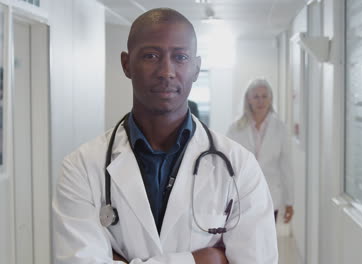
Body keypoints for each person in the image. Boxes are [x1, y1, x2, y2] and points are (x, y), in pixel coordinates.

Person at [53, 8, 278, 264]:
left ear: (196, 67)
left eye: (180, 57)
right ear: (127, 64)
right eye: (151, 56)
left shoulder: (240, 167)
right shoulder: (81, 168)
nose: (166, 71)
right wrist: (202, 260)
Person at [227, 78, 294, 223]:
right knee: (243, 242)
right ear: (248, 100)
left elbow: (286, 166)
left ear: (270, 99)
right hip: (242, 195)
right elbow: (228, 164)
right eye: (256, 97)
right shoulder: (235, 128)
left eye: (264, 96)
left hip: (271, 195)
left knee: (266, 242)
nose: (260, 101)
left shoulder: (280, 128)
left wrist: (290, 202)